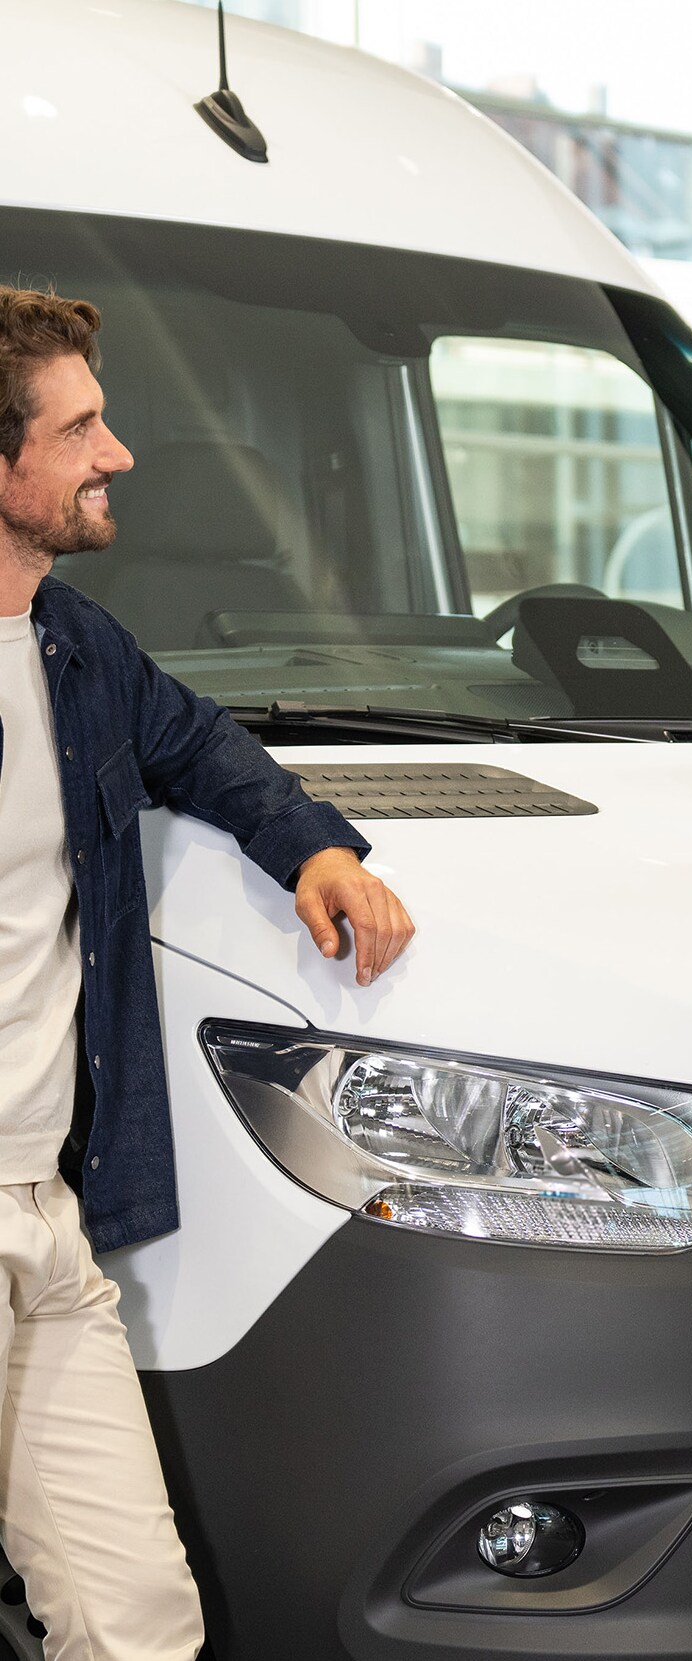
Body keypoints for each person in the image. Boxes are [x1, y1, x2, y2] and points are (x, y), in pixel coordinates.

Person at [0, 284, 415, 1658]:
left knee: (135, 1621)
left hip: (48, 1222)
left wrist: (316, 851)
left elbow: (202, 746)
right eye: (81, 428)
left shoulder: (72, 644)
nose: (114, 453)